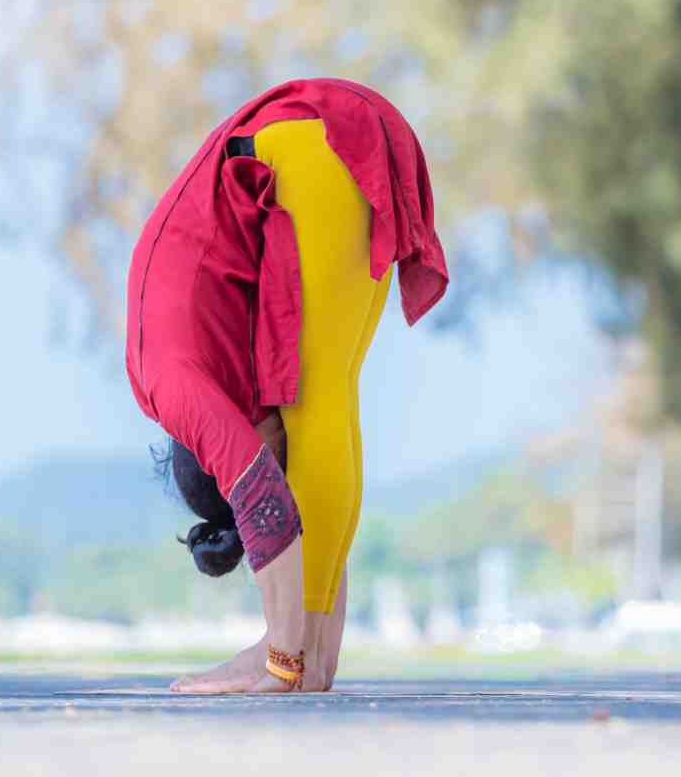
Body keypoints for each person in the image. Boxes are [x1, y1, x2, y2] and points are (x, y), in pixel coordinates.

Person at [125, 78, 448, 693]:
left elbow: (263, 501)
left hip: (311, 143)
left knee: (318, 398)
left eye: (272, 458)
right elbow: (289, 502)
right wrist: (308, 656)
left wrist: (277, 658)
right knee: (333, 392)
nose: (284, 471)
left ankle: (286, 658)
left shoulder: (172, 385)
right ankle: (316, 655)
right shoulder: (210, 369)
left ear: (221, 449)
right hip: (345, 132)